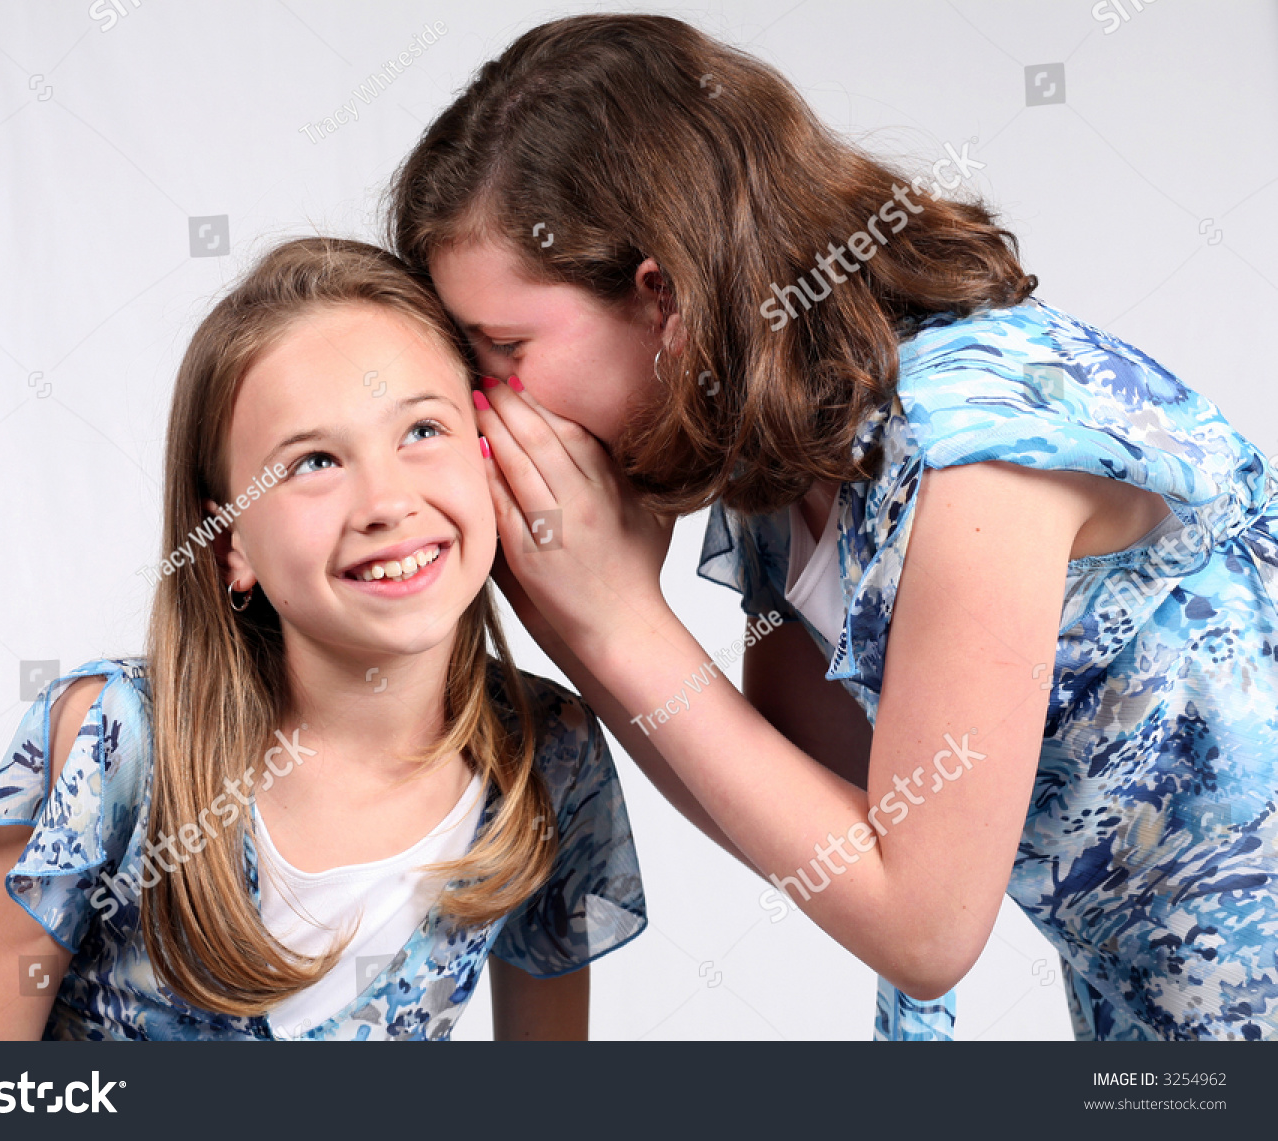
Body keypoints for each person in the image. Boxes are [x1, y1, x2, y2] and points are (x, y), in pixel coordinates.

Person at [389, 13, 1278, 1040]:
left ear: (663, 298)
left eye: (505, 347)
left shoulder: (970, 454)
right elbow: (810, 819)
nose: (490, 397)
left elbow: (921, 925)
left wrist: (621, 622)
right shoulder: (787, 448)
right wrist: (584, 624)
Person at [0, 237, 645, 1041]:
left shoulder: (550, 757)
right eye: (315, 460)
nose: (386, 500)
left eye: (422, 429)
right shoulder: (113, 741)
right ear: (229, 542)